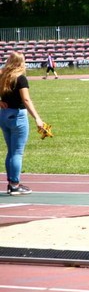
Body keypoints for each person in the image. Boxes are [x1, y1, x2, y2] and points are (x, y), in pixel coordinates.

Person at [0, 52, 46, 195]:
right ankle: (15, 185)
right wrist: (37, 118)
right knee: (17, 152)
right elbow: (26, 100)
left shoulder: (3, 76)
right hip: (17, 116)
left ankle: (11, 183)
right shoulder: (20, 78)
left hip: (4, 115)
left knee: (11, 151)